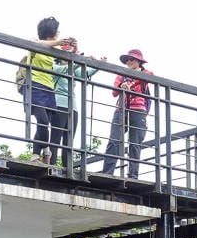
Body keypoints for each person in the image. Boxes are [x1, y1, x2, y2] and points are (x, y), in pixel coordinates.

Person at [20, 17, 76, 163]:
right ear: (51, 31)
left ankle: (35, 155)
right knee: (43, 120)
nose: (58, 32)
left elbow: (69, 58)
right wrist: (58, 43)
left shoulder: (55, 49)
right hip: (34, 85)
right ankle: (46, 150)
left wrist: (74, 47)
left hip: (49, 88)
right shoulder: (35, 41)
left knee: (43, 124)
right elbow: (36, 44)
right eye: (57, 30)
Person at [100, 48, 153, 178]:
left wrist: (131, 85)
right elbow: (114, 92)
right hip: (121, 109)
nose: (129, 62)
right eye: (127, 60)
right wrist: (121, 86)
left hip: (138, 110)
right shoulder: (121, 75)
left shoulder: (145, 73)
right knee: (114, 140)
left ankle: (133, 175)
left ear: (139, 61)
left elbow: (149, 75)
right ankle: (107, 172)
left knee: (135, 143)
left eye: (132, 59)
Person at [51, 45, 100, 170]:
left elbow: (86, 73)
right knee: (56, 136)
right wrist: (80, 59)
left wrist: (98, 64)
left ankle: (67, 166)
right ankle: (51, 163)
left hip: (73, 107)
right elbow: (66, 69)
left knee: (69, 139)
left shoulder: (73, 69)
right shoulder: (55, 66)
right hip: (59, 104)